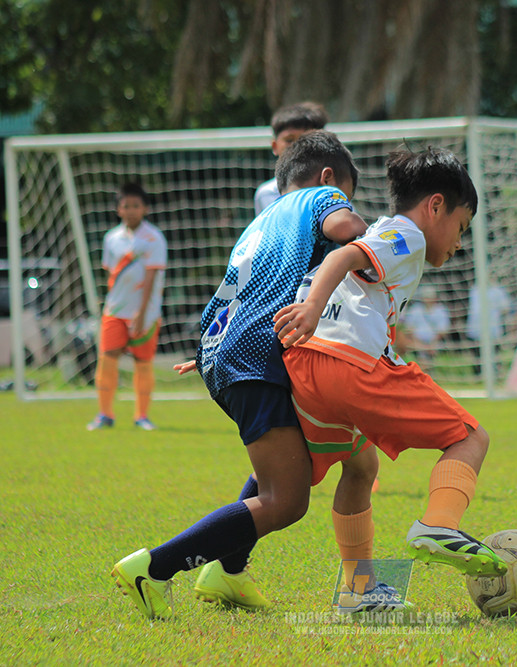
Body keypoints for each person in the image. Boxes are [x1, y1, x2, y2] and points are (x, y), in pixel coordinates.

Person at [110, 130, 367, 620]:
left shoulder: (263, 220)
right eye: (347, 194)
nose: (344, 203)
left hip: (226, 350)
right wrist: (382, 241)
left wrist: (208, 351)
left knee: (292, 460)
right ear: (330, 177)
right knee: (286, 501)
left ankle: (227, 572)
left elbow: (237, 290)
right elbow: (347, 228)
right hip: (255, 358)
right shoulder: (323, 195)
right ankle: (153, 568)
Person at [273, 147, 508, 594]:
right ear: (435, 205)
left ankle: (356, 590)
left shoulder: (387, 232)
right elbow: (340, 259)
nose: (459, 243)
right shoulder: (408, 234)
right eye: (460, 227)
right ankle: (437, 526)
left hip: (306, 367)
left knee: (360, 466)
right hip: (349, 364)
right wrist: (312, 307)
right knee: (470, 436)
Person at [87, 182, 167, 431]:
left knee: (142, 362)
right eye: (126, 206)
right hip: (114, 311)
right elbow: (111, 275)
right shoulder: (111, 239)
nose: (131, 210)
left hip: (146, 313)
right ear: (118, 210)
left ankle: (141, 416)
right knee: (107, 359)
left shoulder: (153, 238)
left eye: (136, 205)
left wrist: (142, 315)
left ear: (145, 208)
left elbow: (152, 280)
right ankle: (104, 414)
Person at [254, 101, 329, 216]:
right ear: (275, 146)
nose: (299, 147)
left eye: (307, 140)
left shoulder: (331, 188)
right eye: (289, 140)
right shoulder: (266, 194)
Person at [400, 285, 451, 371]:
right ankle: (425, 371)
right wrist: (421, 344)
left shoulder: (441, 310)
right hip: (417, 342)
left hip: (435, 342)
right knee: (416, 348)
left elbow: (443, 331)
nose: (428, 299)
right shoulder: (415, 310)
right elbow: (409, 330)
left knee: (430, 349)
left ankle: (426, 371)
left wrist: (432, 344)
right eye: (426, 297)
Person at [467, 280, 511, 376]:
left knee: (494, 351)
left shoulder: (498, 291)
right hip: (476, 326)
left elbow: (505, 308)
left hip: (493, 326)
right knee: (478, 351)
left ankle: (496, 372)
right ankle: (479, 373)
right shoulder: (474, 290)